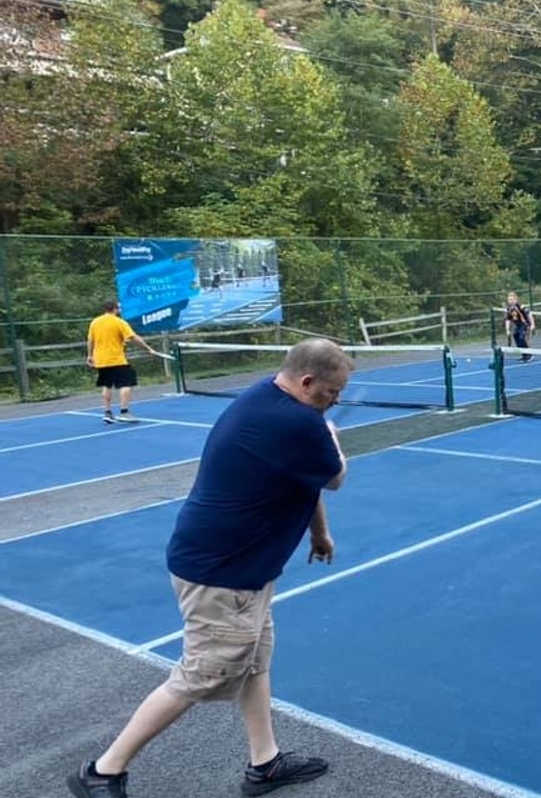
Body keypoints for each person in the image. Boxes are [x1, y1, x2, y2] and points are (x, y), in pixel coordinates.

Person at [67, 338, 352, 798]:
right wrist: (333, 436)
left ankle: (265, 763)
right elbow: (335, 475)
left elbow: (305, 478)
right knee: (203, 674)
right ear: (306, 382)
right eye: (332, 392)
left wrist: (319, 533)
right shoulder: (297, 421)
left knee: (254, 663)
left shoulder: (267, 395)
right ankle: (103, 770)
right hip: (223, 573)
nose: (336, 400)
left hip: (242, 567)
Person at [86, 299, 159, 424]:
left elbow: (90, 340)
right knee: (127, 382)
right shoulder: (119, 322)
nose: (120, 309)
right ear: (114, 308)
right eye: (119, 307)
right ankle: (124, 412)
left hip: (101, 360)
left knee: (107, 385)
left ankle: (107, 413)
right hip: (116, 359)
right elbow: (133, 337)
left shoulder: (95, 322)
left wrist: (90, 355)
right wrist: (149, 349)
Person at [505, 291, 534, 362]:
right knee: (515, 336)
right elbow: (508, 320)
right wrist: (507, 330)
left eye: (512, 299)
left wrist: (533, 325)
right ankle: (524, 355)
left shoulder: (521, 306)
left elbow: (530, 314)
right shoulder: (509, 309)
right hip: (518, 326)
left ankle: (529, 355)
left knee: (522, 338)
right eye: (509, 299)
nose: (510, 301)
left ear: (516, 299)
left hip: (525, 325)